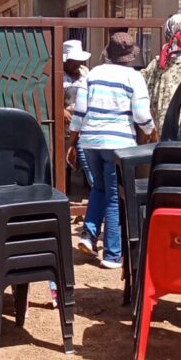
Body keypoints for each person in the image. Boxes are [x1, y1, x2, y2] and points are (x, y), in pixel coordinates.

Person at [67, 32, 156, 270]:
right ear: (129, 56)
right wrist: (152, 132)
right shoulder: (134, 77)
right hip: (118, 144)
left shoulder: (93, 74)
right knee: (115, 197)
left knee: (99, 188)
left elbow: (79, 112)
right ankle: (112, 254)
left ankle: (88, 234)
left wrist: (72, 143)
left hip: (90, 141)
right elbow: (141, 115)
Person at [62, 39, 92, 189]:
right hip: (66, 122)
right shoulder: (58, 73)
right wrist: (61, 110)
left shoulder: (85, 72)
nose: (77, 64)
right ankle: (65, 188)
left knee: (86, 155)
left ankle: (89, 188)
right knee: (65, 155)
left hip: (84, 119)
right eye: (74, 60)